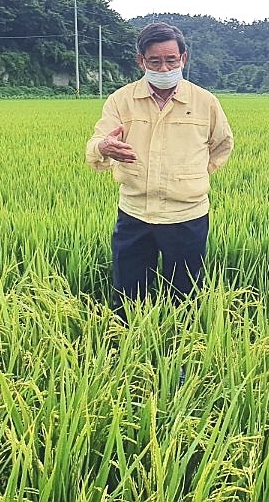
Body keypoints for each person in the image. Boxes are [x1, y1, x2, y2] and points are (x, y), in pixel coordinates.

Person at [86, 22, 233, 321]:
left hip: (187, 216)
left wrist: (190, 176)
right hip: (134, 213)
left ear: (183, 59)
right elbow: (98, 139)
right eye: (155, 61)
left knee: (185, 296)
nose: (164, 68)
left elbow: (222, 145)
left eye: (171, 60)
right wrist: (104, 147)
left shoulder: (205, 102)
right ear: (141, 61)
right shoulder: (121, 100)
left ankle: (180, 356)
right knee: (128, 295)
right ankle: (128, 352)